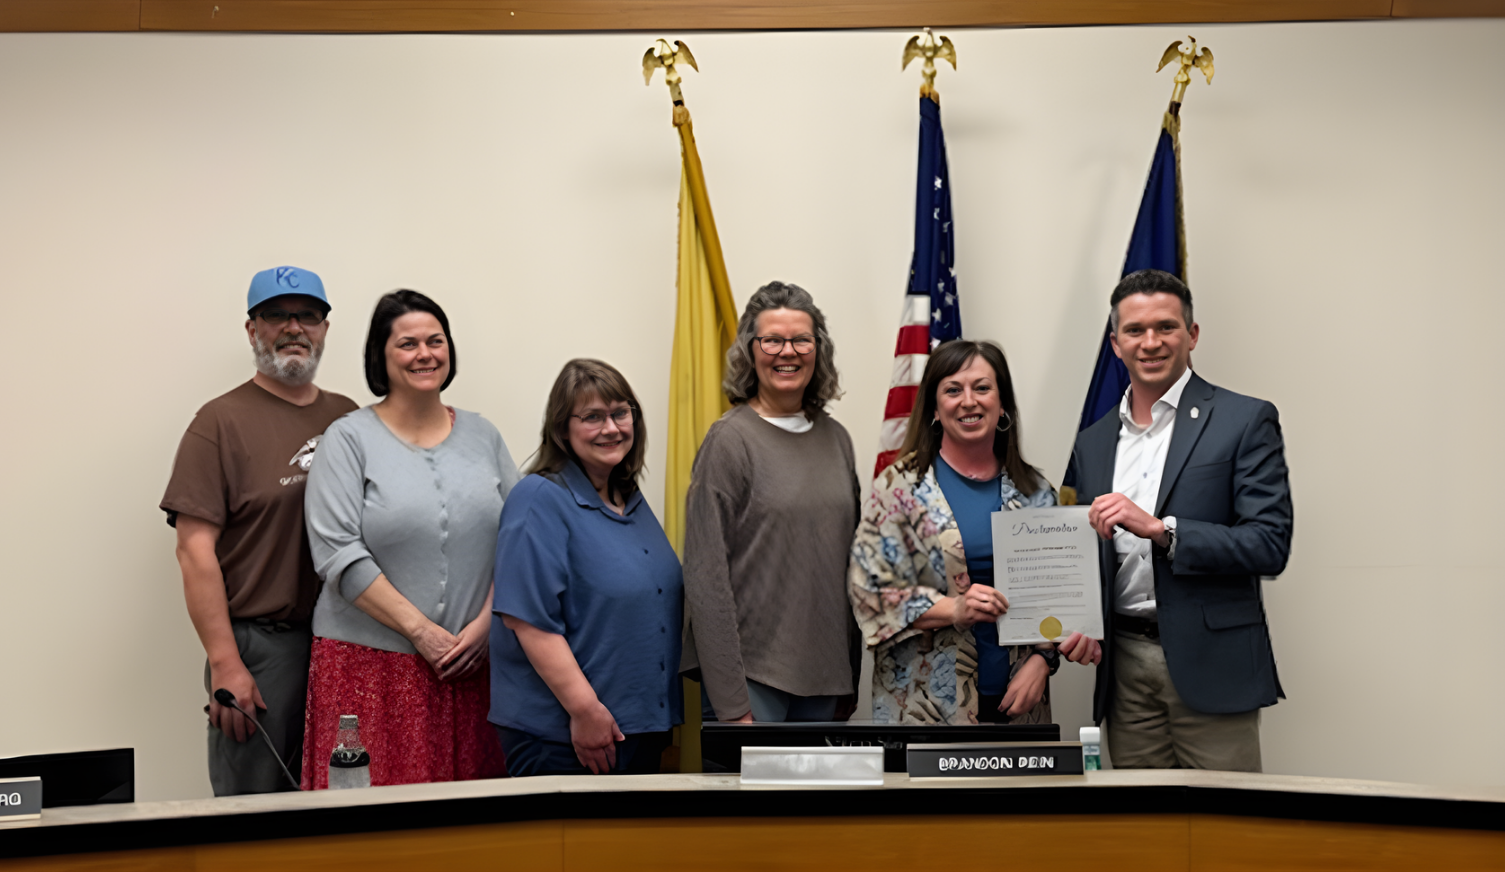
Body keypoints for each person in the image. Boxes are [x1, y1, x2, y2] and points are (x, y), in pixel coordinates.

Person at [1067, 269, 1292, 771]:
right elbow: (1087, 554)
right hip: (1123, 669)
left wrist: (1162, 531)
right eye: (1135, 330)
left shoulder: (1244, 420)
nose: (1151, 342)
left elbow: (1269, 544)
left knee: (1225, 814)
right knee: (1142, 817)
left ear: (1192, 335)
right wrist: (1076, 620)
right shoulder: (1092, 442)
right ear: (1116, 344)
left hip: (1212, 663)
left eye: (1166, 327)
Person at [301, 289, 520, 788]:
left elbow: (519, 541)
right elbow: (337, 553)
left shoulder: (484, 436)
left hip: (473, 667)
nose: (425, 354)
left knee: (472, 823)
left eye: (435, 341)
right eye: (407, 344)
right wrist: (421, 632)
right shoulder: (347, 439)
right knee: (377, 821)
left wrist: (487, 626)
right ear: (380, 356)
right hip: (370, 672)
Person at [162, 266, 358, 795]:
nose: (294, 327)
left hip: (342, 643)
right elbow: (194, 552)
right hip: (261, 647)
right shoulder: (218, 423)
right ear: (253, 330)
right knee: (254, 811)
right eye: (277, 315)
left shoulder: (348, 418)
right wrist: (226, 662)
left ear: (324, 329)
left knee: (345, 801)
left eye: (308, 316)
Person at [849, 340, 1102, 724]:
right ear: (935, 409)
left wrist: (1043, 658)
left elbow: (1056, 600)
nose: (969, 401)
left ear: (1002, 405)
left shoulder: (1035, 493)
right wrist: (955, 608)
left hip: (1019, 705)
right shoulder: (898, 489)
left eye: (982, 388)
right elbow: (869, 592)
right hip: (924, 707)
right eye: (953, 390)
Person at [490, 359, 683, 776]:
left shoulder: (629, 498)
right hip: (565, 737)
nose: (610, 428)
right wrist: (585, 710)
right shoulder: (537, 498)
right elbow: (528, 620)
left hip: (638, 728)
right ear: (562, 429)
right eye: (592, 417)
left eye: (620, 413)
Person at [682, 281, 861, 723]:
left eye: (801, 340)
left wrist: (852, 672)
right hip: (751, 679)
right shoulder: (729, 441)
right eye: (772, 340)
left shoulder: (837, 440)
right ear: (750, 350)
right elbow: (705, 579)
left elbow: (852, 564)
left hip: (827, 678)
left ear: (818, 349)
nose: (788, 352)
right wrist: (731, 702)